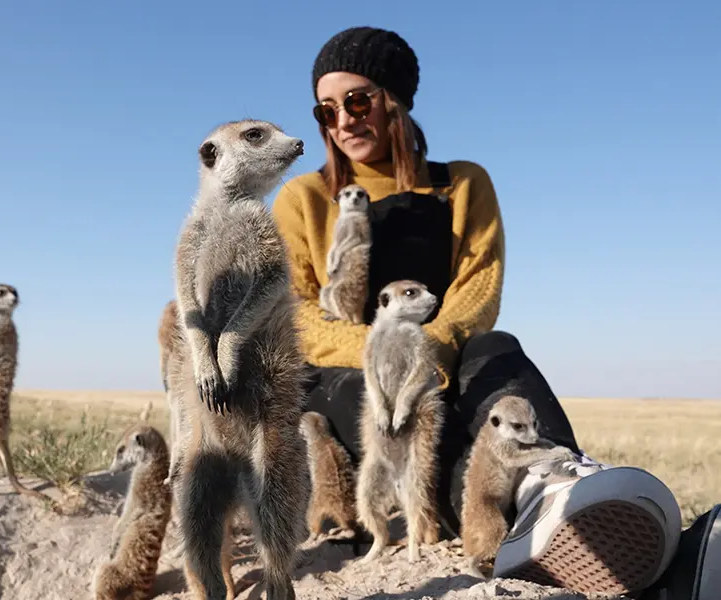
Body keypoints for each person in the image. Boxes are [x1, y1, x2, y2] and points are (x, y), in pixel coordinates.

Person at [271, 25, 719, 599]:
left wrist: (431, 348)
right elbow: (299, 315)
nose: (344, 121)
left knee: (496, 347)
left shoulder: (461, 184)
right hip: (352, 374)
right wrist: (390, 355)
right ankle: (518, 532)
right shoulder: (303, 198)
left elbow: (479, 290)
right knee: (406, 419)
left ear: (397, 100)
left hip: (446, 354)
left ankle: (551, 485)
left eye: (358, 100)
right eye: (326, 110)